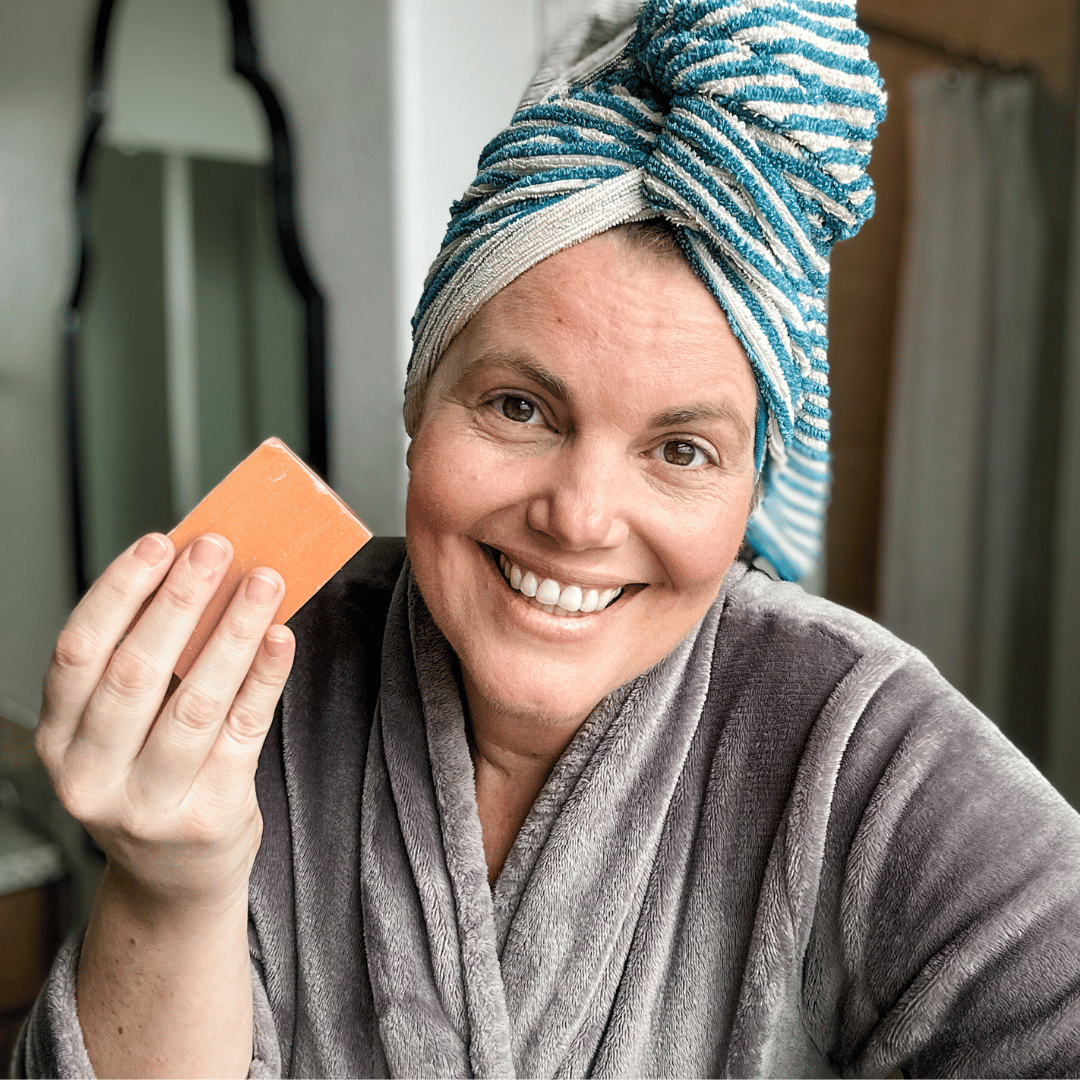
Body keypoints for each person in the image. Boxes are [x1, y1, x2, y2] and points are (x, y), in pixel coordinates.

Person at [17, 2, 1080, 1077]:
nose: (579, 517)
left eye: (681, 450)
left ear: (752, 487)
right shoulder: (267, 681)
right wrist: (170, 889)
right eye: (520, 407)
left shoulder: (859, 749)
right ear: (420, 399)